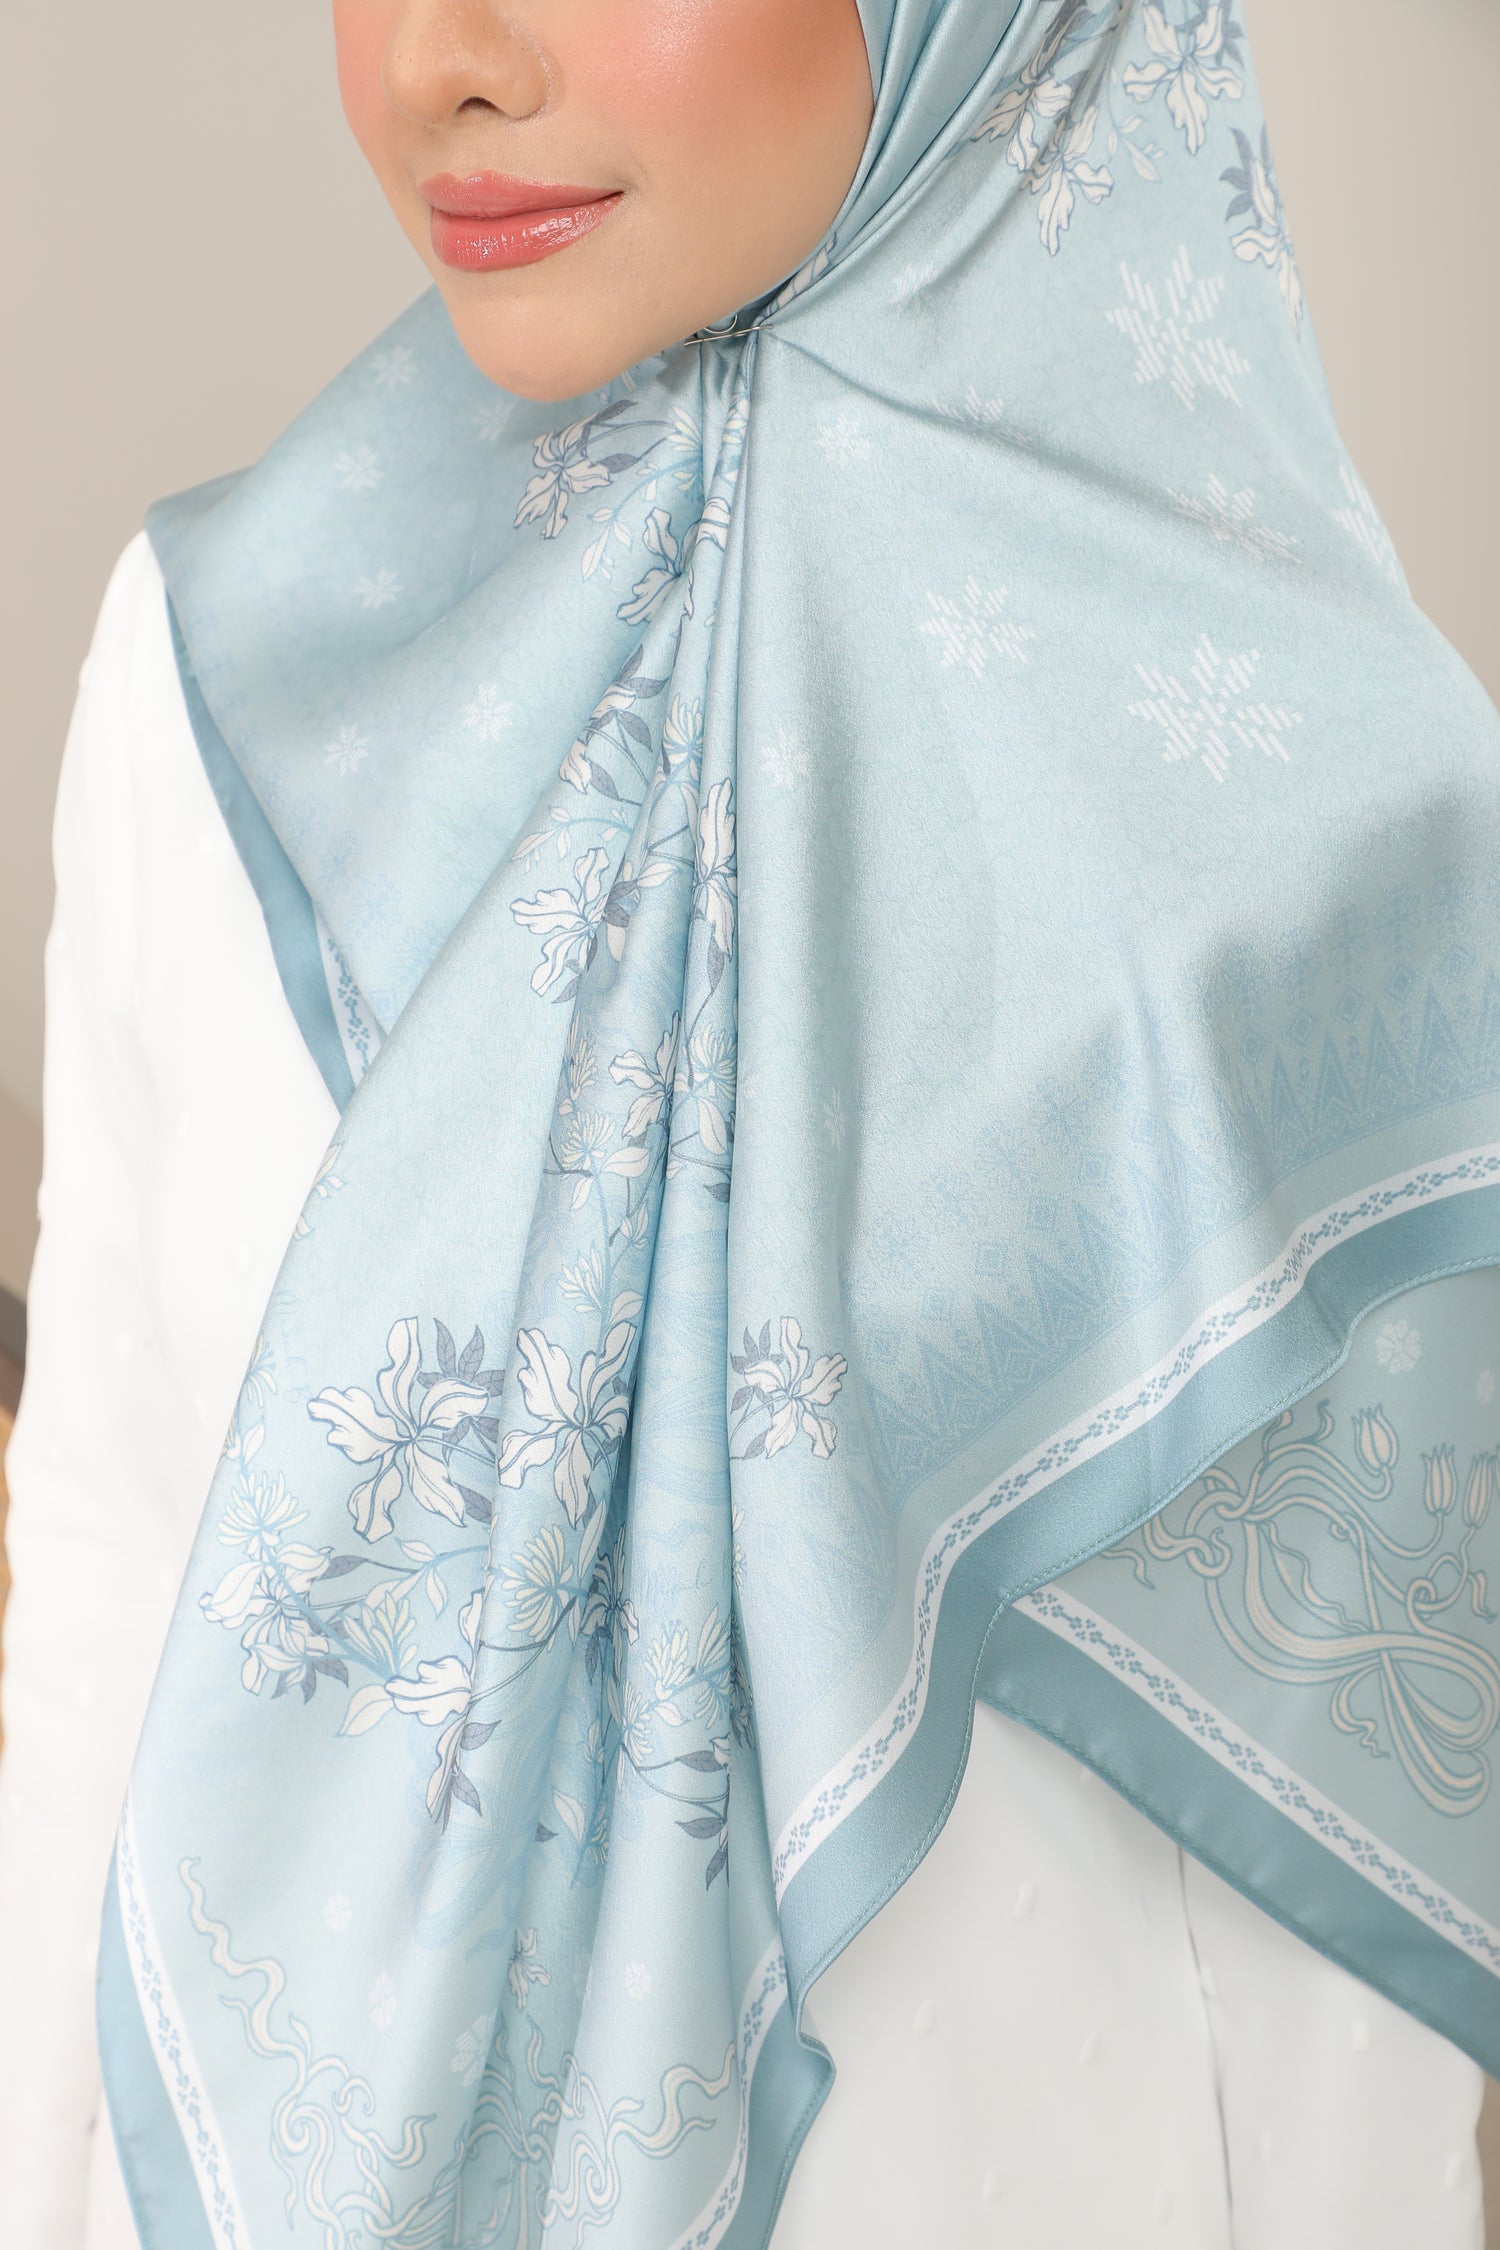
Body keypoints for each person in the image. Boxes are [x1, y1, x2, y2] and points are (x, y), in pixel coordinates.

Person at [1, 2, 1496, 2245]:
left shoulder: (1333, 854)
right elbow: (118, 1587)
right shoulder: (228, 681)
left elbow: (1340, 1932)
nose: (436, 62)